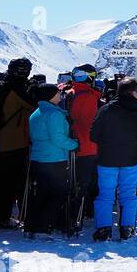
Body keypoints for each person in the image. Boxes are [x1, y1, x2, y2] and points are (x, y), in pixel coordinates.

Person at [89, 77, 137, 241]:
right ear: (133, 92)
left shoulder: (106, 109)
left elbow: (93, 134)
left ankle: (103, 229)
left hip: (107, 159)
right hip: (131, 159)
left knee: (105, 195)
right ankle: (127, 228)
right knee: (128, 194)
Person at [26, 83, 78, 236]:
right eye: (57, 93)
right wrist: (74, 144)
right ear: (50, 96)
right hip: (54, 159)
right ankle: (47, 224)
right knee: (57, 193)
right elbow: (58, 139)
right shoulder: (54, 114)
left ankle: (34, 225)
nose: (60, 96)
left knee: (40, 193)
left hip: (37, 158)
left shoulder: (36, 113)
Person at [0, 58, 34, 227]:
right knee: (10, 182)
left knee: (2, 182)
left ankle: (0, 217)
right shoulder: (17, 88)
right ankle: (3, 218)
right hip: (14, 141)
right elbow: (33, 106)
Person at [67, 65, 101, 226]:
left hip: (74, 145)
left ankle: (77, 214)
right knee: (85, 183)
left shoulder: (70, 93)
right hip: (87, 146)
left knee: (78, 182)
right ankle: (76, 216)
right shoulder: (89, 97)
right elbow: (88, 125)